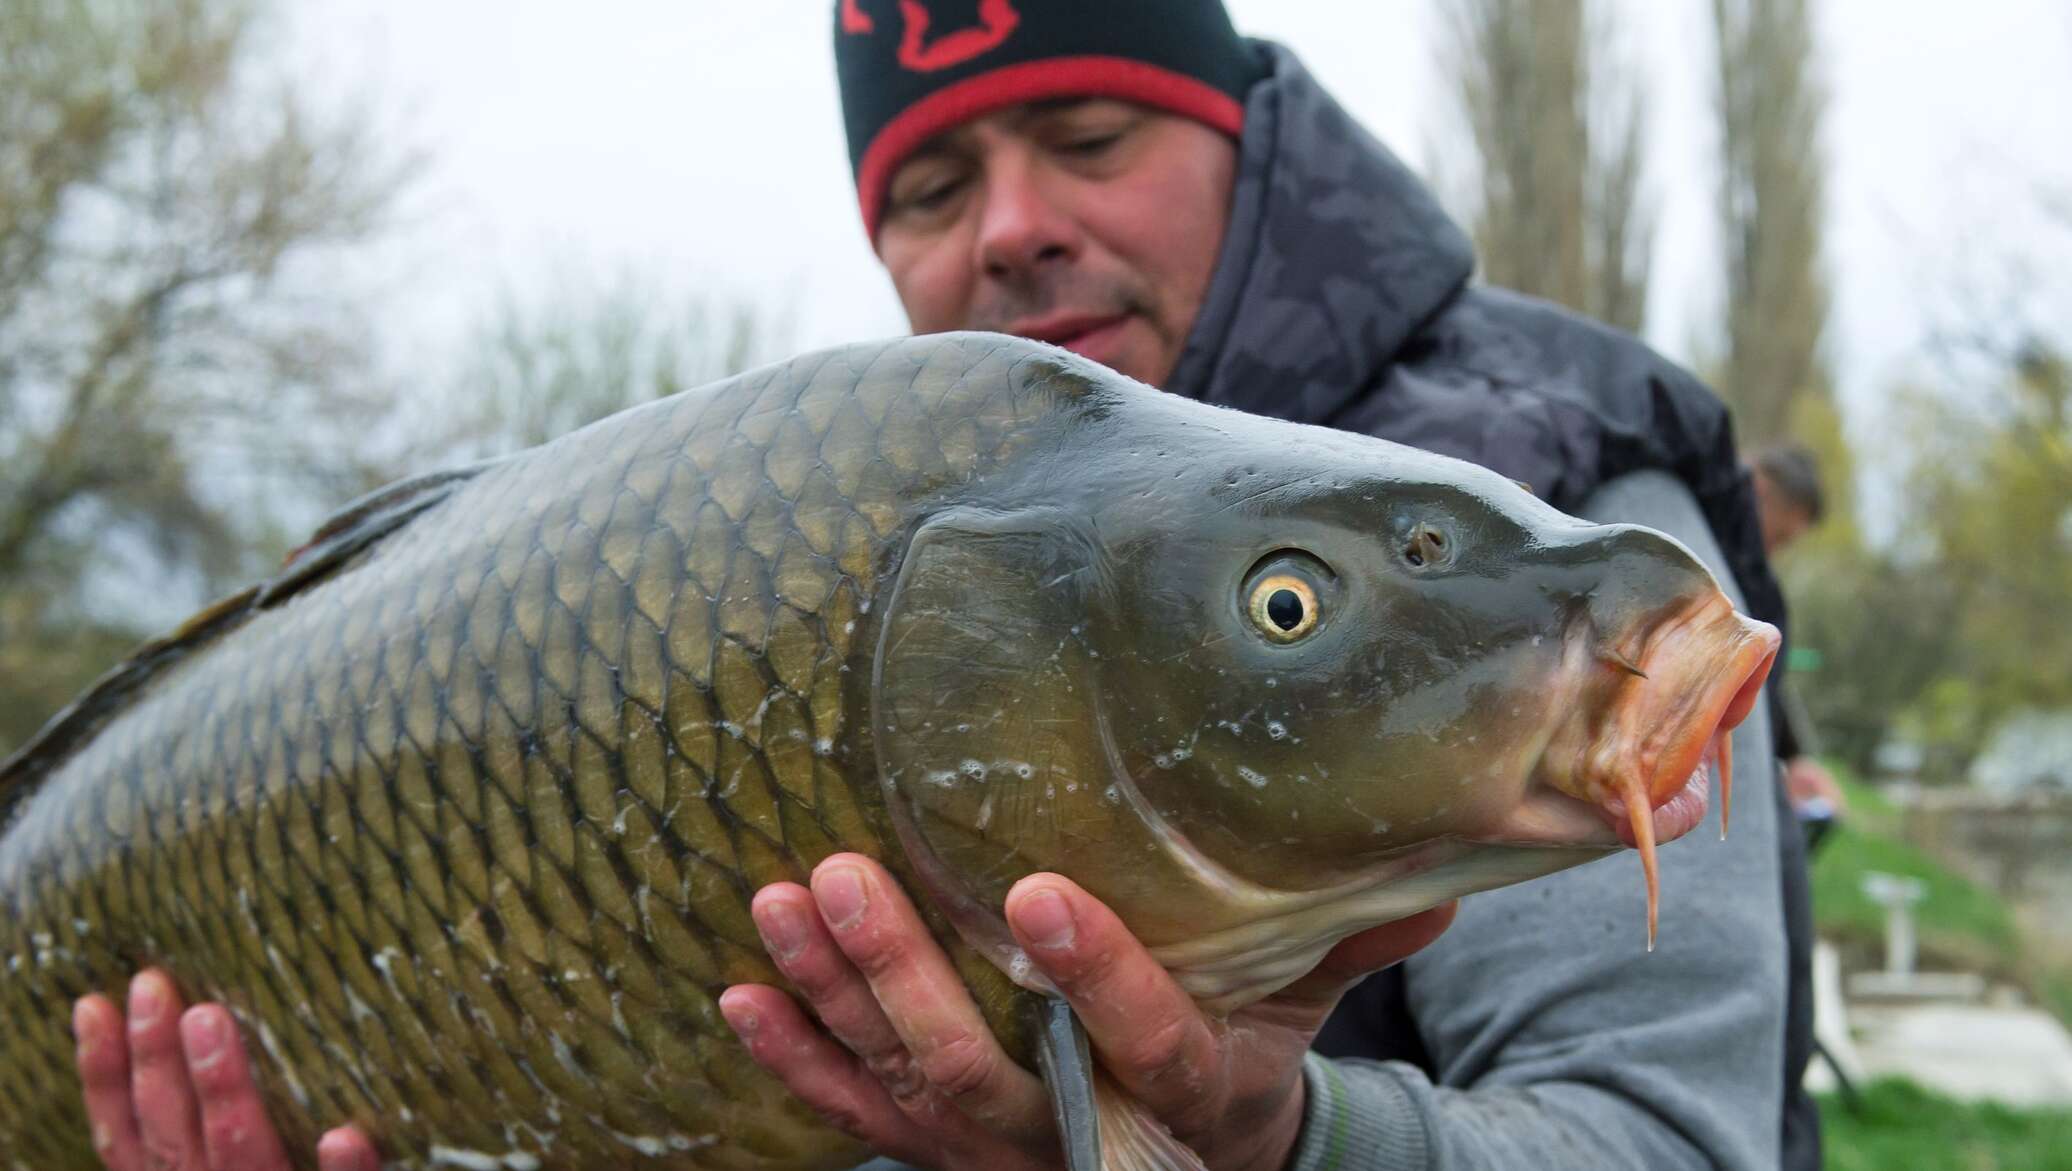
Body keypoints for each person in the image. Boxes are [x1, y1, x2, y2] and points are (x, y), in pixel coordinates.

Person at [71, 3, 1818, 1169]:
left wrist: (1272, 1142)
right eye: (931, 181)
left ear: (1248, 138)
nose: (1010, 226)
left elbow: (1660, 1140)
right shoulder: (780, 538)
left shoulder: (1544, 504)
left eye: (1086, 134)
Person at [1745, 443, 1847, 828]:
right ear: (1759, 491)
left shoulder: (1759, 583)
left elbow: (1764, 681)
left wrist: (1793, 757)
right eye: (1780, 538)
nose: (1774, 553)